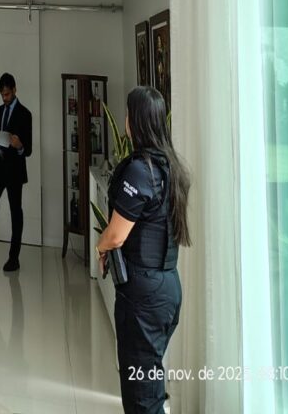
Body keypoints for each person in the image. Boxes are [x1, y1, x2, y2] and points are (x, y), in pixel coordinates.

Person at [96, 86, 191, 414]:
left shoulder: (141, 170)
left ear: (133, 121)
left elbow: (116, 235)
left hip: (143, 298)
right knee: (150, 385)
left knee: (142, 399)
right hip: (167, 288)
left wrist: (100, 246)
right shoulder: (171, 167)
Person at [0, 72, 33, 271]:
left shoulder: (25, 114)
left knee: (15, 212)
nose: (5, 98)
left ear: (14, 90)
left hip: (15, 170)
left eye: (7, 94)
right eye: (2, 95)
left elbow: (28, 150)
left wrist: (19, 146)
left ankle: (14, 258)